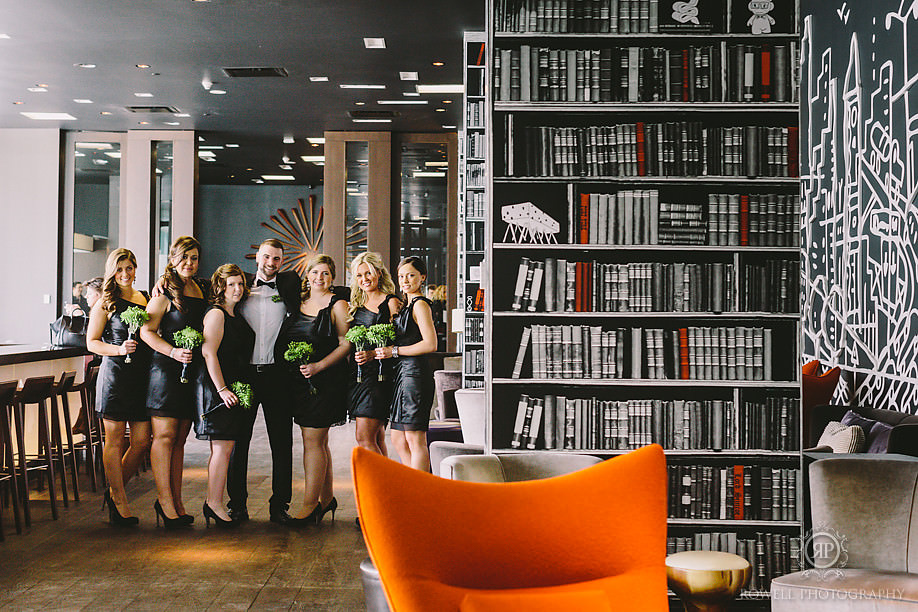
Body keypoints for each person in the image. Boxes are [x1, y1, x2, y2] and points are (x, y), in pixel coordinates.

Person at [230, 238, 302, 524]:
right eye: (267, 257)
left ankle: (279, 505)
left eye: (277, 259)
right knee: (239, 441)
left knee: (281, 443)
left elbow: (332, 288)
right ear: (256, 257)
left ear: (282, 263)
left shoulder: (290, 285)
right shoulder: (240, 285)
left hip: (277, 375)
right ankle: (237, 504)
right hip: (244, 374)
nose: (271, 263)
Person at [276, 255, 350, 525]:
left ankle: (309, 506)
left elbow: (345, 343)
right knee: (319, 442)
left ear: (332, 277)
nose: (320, 278)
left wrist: (319, 366)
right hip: (298, 383)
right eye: (315, 272)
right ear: (306, 275)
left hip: (325, 381)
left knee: (312, 441)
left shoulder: (338, 304)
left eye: (326, 273)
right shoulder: (297, 302)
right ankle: (327, 499)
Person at [141, 236, 207, 529]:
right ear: (172, 258)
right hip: (165, 371)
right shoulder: (162, 292)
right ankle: (164, 501)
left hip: (191, 372)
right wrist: (172, 351)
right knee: (164, 437)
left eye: (194, 258)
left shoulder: (201, 288)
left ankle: (177, 501)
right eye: (184, 258)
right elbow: (147, 332)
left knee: (180, 438)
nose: (189, 263)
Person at [85, 249, 151, 526]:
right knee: (114, 440)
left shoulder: (144, 298)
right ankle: (120, 500)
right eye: (120, 269)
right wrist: (118, 348)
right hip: (114, 377)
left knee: (141, 441)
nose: (125, 274)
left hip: (141, 377)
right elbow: (91, 342)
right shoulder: (104, 302)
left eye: (130, 268)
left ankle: (114, 492)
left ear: (136, 269)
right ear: (112, 271)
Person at [196, 264, 255, 528]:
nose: (237, 289)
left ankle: (215, 501)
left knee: (227, 447)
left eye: (240, 284)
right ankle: (214, 503)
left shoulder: (235, 313)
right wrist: (222, 390)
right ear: (220, 287)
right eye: (231, 284)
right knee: (221, 448)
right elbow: (209, 353)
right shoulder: (217, 315)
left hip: (234, 387)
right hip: (219, 388)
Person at [376, 256, 438, 472]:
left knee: (414, 438)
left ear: (422, 277)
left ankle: (421, 495)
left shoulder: (420, 305)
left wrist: (393, 351)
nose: (405, 280)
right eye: (401, 276)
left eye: (411, 275)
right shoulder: (406, 304)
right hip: (402, 376)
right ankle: (414, 483)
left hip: (415, 376)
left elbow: (431, 344)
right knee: (398, 438)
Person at [348, 252, 400, 456]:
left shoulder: (391, 302)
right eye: (359, 275)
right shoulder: (356, 305)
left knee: (363, 438)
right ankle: (384, 486)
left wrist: (372, 354)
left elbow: (400, 340)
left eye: (368, 273)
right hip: (358, 377)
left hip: (379, 377)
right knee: (376, 436)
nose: (364, 279)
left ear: (378, 273)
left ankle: (378, 486)